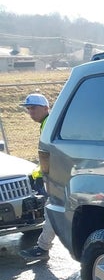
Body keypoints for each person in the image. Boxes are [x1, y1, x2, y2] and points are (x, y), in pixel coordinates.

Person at [19, 93, 55, 262]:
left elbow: (51, 154)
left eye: (34, 108)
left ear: (46, 108)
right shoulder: (47, 123)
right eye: (28, 109)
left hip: (58, 178)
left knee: (52, 211)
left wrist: (41, 175)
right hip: (56, 177)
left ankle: (43, 248)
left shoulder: (49, 124)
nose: (30, 112)